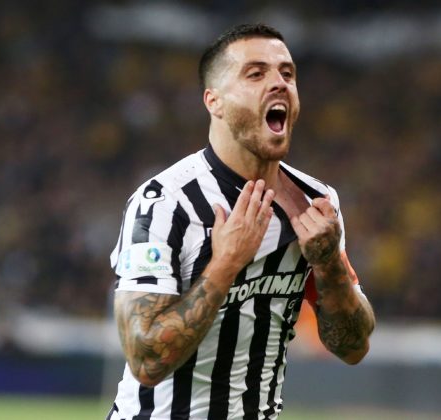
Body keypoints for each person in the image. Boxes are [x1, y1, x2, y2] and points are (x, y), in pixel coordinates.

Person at [107, 23, 375, 420]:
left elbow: (352, 348)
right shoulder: (165, 203)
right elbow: (146, 361)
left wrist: (329, 262)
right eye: (256, 73)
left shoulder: (317, 204)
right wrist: (226, 263)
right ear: (214, 101)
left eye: (287, 73)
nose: (279, 83)